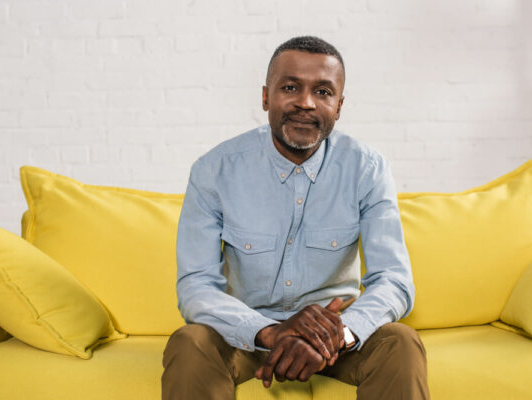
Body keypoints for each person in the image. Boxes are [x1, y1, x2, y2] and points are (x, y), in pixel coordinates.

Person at [162, 36, 429, 399]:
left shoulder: (367, 169)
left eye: (323, 92)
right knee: (190, 341)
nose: (306, 103)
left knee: (400, 341)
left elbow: (394, 281)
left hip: (336, 337)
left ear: (339, 106)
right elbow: (195, 286)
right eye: (291, 87)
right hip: (247, 335)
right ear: (265, 97)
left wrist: (339, 334)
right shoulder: (215, 171)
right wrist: (271, 332)